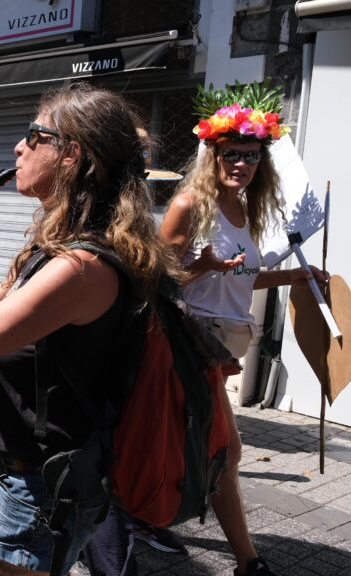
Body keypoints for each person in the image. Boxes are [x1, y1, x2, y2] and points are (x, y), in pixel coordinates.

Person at [0, 83, 179, 575]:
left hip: (43, 489)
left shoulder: (82, 266)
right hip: (34, 481)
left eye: (33, 136)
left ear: (72, 154)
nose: (18, 148)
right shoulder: (56, 250)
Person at [158, 81, 327, 576]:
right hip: (189, 341)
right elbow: (157, 279)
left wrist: (293, 275)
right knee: (225, 451)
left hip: (227, 343)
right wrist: (203, 266)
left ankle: (141, 516)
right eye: (231, 153)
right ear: (212, 154)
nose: (241, 164)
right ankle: (247, 561)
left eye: (251, 156)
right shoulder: (191, 205)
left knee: (183, 444)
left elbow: (245, 274)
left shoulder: (248, 211)